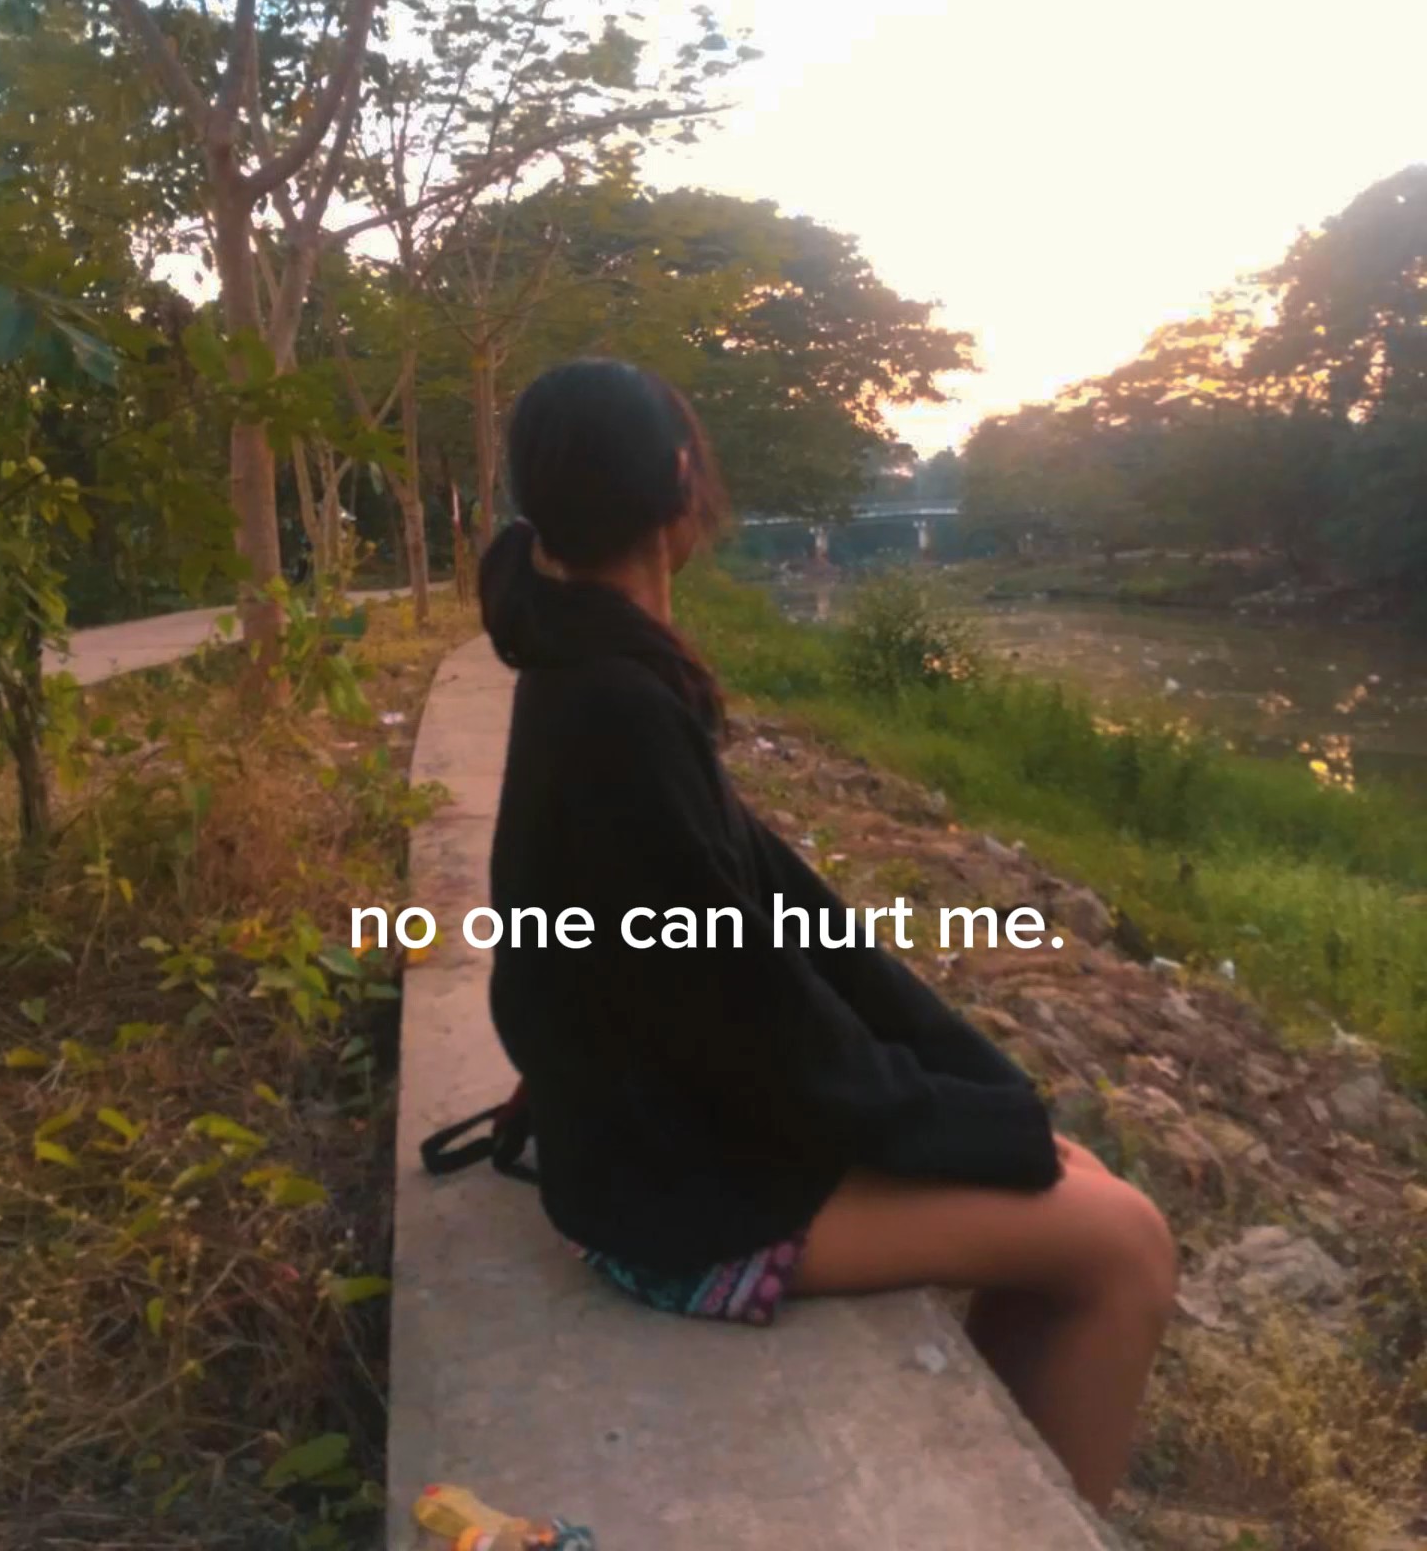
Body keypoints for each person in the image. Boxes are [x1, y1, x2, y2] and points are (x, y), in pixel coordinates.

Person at [479, 359, 1176, 1515]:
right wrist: (964, 1119)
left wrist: (984, 1100)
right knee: (1128, 1246)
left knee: (1063, 1181)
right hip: (669, 1210)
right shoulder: (618, 706)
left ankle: (998, 1506)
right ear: (681, 480)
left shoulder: (590, 671)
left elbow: (797, 928)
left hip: (652, 1147)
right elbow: (761, 1030)